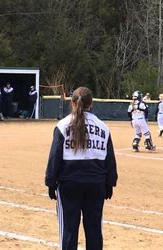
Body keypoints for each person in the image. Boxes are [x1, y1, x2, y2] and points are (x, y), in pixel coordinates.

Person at [45, 87, 118, 250]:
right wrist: (110, 183)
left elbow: (55, 156)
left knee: (69, 230)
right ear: (91, 103)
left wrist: (50, 182)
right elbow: (110, 158)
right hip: (96, 183)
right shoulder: (103, 127)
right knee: (94, 230)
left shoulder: (63, 125)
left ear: (72, 103)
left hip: (69, 183)